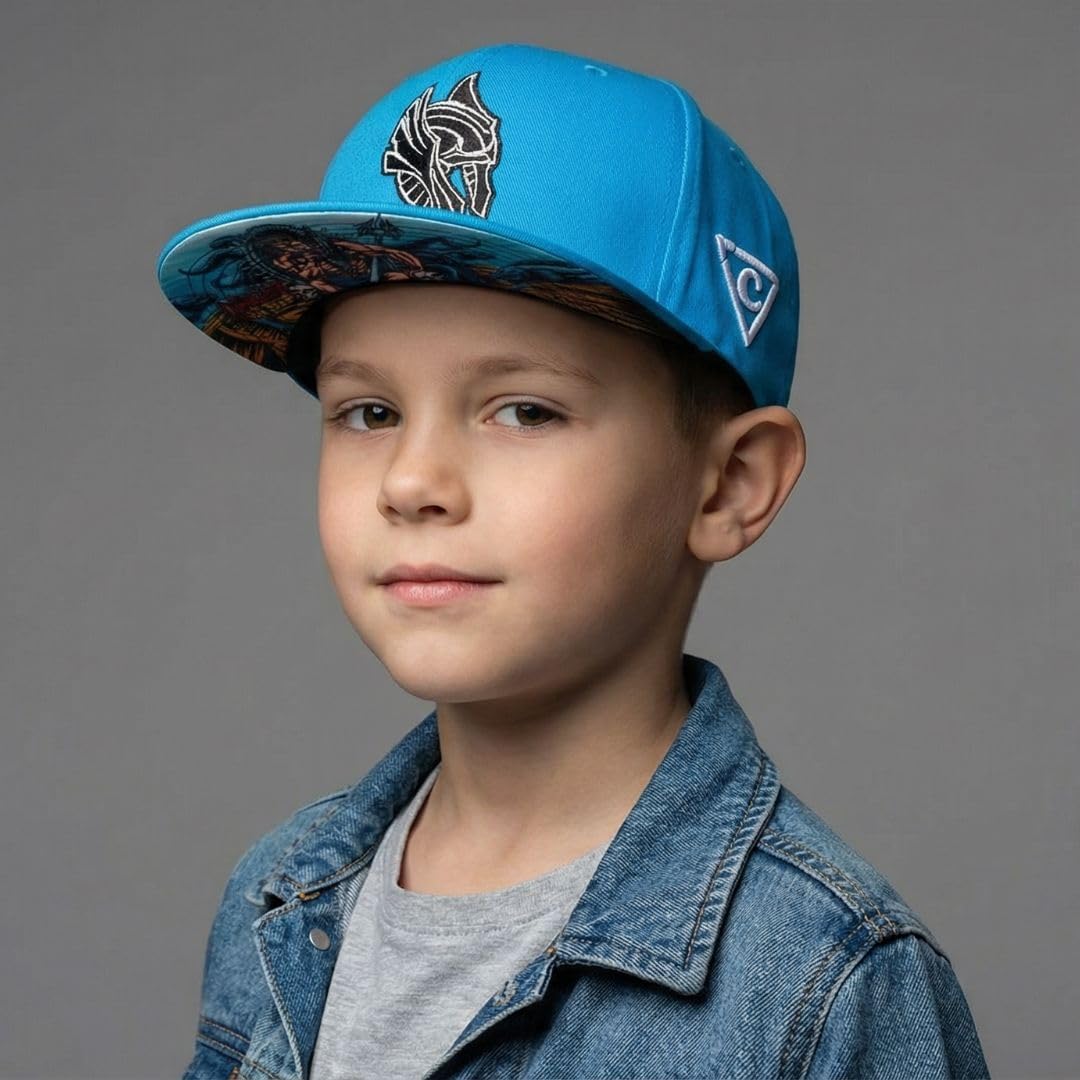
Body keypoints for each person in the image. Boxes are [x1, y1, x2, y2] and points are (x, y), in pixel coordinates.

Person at [157, 42, 990, 1080]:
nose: (412, 481)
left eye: (524, 411)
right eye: (368, 411)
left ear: (730, 485)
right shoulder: (280, 895)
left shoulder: (822, 983)